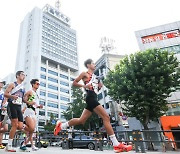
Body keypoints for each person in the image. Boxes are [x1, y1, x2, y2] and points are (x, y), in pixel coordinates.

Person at [54, 59, 132, 153]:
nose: (95, 65)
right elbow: (74, 83)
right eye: (93, 63)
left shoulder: (95, 77)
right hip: (90, 97)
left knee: (81, 120)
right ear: (88, 65)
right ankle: (116, 144)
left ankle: (61, 126)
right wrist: (84, 86)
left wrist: (99, 85)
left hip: (93, 97)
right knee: (106, 117)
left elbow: (98, 89)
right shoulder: (85, 74)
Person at [4, 71, 27, 152]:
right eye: (22, 74)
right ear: (17, 75)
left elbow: (23, 99)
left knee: (20, 126)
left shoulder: (23, 87)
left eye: (25, 75)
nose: (24, 76)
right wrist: (12, 96)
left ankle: (9, 121)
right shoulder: (12, 84)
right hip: (12, 105)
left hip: (19, 106)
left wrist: (30, 102)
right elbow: (5, 94)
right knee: (15, 125)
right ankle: (9, 145)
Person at [22, 79, 43, 151]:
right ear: (33, 84)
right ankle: (22, 126)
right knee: (31, 128)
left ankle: (27, 145)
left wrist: (39, 106)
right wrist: (29, 102)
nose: (38, 85)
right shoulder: (30, 91)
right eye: (37, 84)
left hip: (33, 112)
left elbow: (35, 104)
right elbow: (24, 99)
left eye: (39, 84)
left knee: (32, 130)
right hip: (28, 111)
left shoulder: (36, 94)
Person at [0, 79, 8, 149]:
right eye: (1, 83)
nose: (2, 84)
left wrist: (4, 107)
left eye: (3, 83)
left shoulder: (3, 93)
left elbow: (3, 103)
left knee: (4, 128)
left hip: (2, 113)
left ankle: (0, 144)